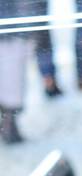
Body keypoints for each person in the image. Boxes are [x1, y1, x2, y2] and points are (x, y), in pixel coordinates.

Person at [0, 0, 35, 142]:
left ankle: (8, 122)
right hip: (12, 30)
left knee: (11, 78)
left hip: (13, 28)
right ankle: (8, 124)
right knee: (12, 78)